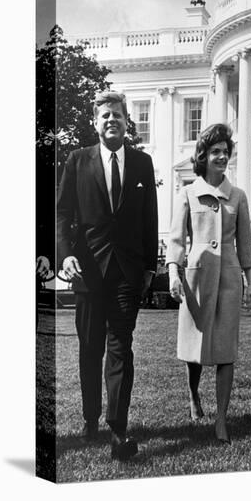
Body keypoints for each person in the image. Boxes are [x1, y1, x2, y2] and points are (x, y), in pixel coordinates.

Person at [57, 91, 158, 460]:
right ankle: (90, 419)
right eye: (105, 116)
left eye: (117, 115)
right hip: (86, 272)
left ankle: (118, 431)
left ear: (126, 121)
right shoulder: (76, 161)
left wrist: (149, 266)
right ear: (94, 123)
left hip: (126, 273)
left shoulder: (143, 164)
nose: (111, 120)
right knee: (90, 349)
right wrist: (65, 255)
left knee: (120, 349)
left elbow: (150, 219)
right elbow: (62, 213)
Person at [166, 123, 251, 445]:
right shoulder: (188, 193)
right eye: (215, 152)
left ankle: (221, 420)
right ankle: (193, 397)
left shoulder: (239, 197)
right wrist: (174, 273)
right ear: (203, 156)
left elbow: (246, 244)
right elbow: (176, 239)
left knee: (226, 351)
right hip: (197, 279)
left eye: (225, 152)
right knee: (194, 350)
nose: (221, 157)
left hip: (229, 278)